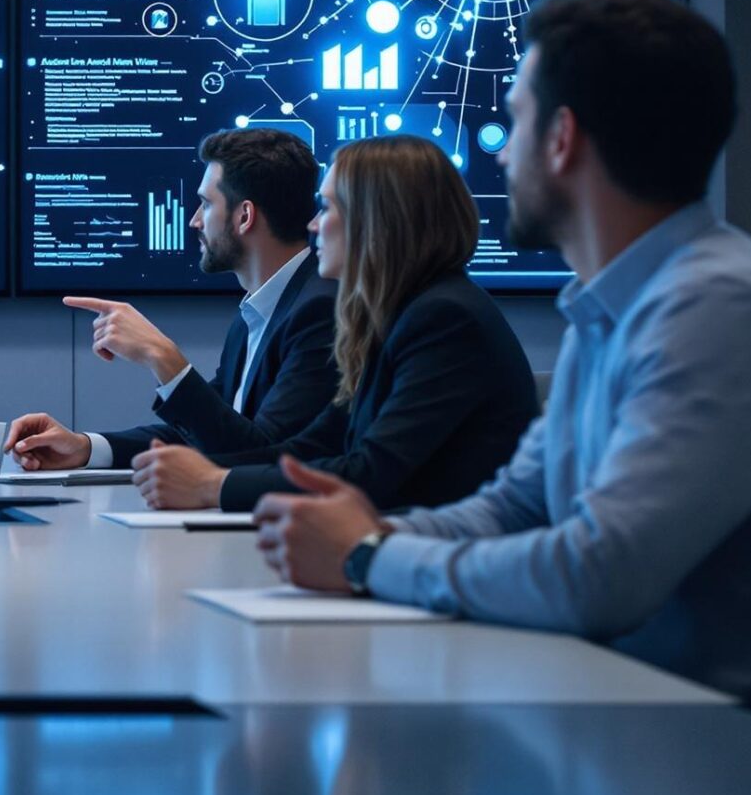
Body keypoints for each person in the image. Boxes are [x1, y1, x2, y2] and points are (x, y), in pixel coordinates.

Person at [254, 0, 751, 717]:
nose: (504, 150)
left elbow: (600, 574)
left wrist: (368, 555)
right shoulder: (606, 306)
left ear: (561, 138)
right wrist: (373, 533)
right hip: (638, 718)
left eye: (514, 117)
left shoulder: (721, 307)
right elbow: (517, 505)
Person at [127, 134, 537, 512]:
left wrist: (213, 485)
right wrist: (200, 475)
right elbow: (308, 449)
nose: (312, 225)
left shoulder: (444, 318)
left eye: (327, 208)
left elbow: (368, 474)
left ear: (377, 220)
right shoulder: (395, 316)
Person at [5, 128, 336, 471]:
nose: (194, 221)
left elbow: (260, 457)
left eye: (206, 204)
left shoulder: (320, 312)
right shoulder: (259, 312)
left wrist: (161, 356)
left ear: (244, 216)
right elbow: (207, 433)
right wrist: (85, 448)